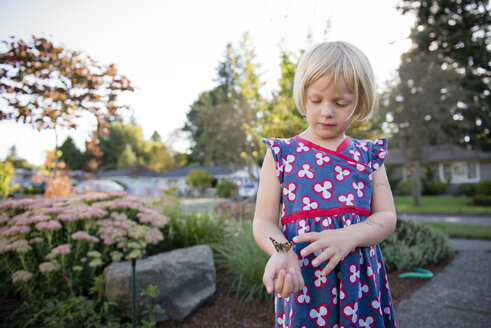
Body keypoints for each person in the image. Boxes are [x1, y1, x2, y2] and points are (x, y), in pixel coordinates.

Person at [253, 41, 397, 328]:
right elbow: (263, 221)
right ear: (303, 97)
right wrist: (282, 253)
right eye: (316, 100)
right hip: (304, 282)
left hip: (360, 287)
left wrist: (350, 236)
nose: (327, 111)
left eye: (340, 102)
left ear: (359, 102)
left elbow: (387, 216)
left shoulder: (368, 156)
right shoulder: (282, 153)